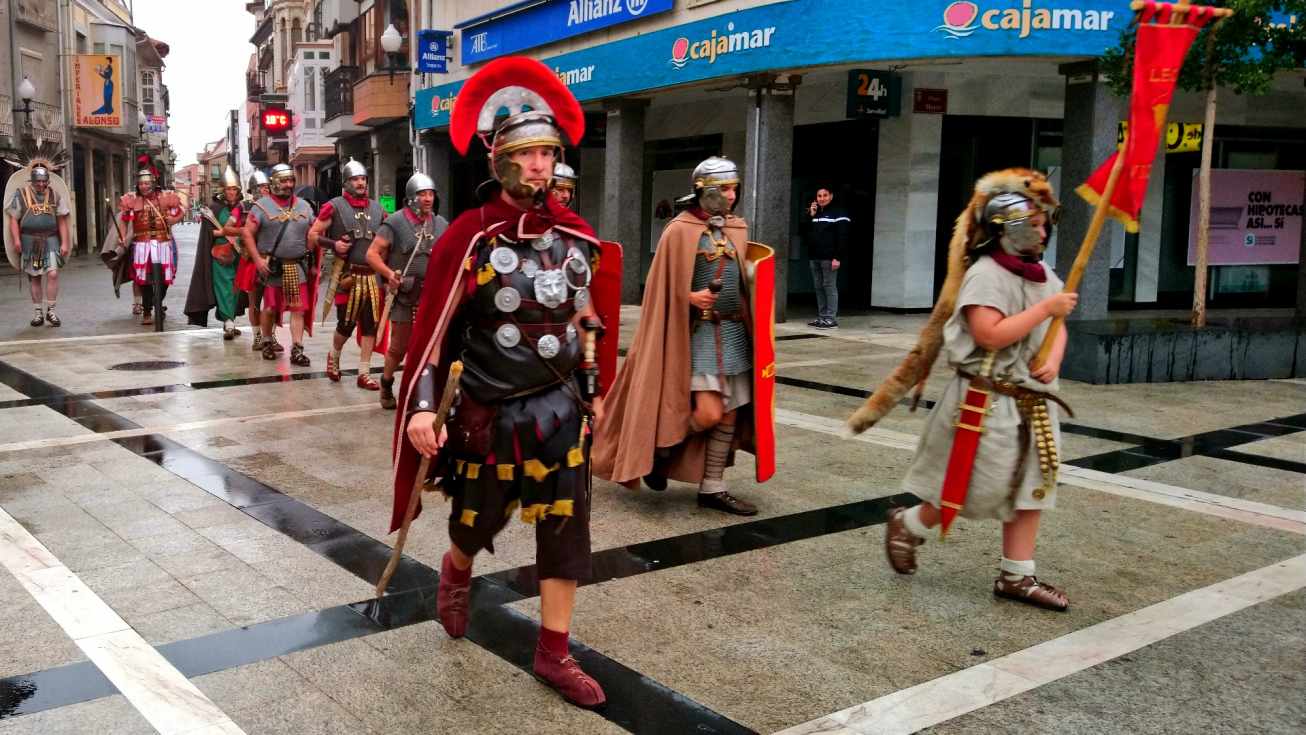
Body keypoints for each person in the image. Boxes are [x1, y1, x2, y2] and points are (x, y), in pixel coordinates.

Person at [391, 56, 618, 709]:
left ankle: (554, 651)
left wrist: (596, 388)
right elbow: (433, 334)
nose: (542, 165)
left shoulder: (576, 235)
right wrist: (423, 408)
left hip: (561, 410)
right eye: (529, 153)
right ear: (500, 160)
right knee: (477, 518)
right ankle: (457, 565)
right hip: (490, 411)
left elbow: (589, 320)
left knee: (566, 528)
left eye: (549, 153)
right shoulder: (469, 236)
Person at [845, 168, 1075, 611]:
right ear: (1007, 229)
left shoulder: (1041, 272)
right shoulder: (986, 274)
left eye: (1045, 223)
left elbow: (1056, 325)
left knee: (1032, 490)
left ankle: (1017, 575)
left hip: (1031, 404)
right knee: (972, 489)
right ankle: (909, 524)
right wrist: (1047, 306)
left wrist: (1054, 356)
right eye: (1036, 223)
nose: (1044, 230)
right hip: (985, 405)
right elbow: (990, 333)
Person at [592, 156, 775, 516]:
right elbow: (661, 288)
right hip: (697, 333)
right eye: (724, 188)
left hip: (734, 330)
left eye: (734, 187)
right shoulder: (679, 229)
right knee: (708, 413)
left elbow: (747, 281)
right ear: (704, 190)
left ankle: (713, 487)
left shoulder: (738, 228)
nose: (732, 195)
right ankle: (662, 453)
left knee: (729, 414)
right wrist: (689, 297)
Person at [366, 172, 448, 410]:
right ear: (412, 197)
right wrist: (390, 274)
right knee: (399, 347)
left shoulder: (441, 223)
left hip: (431, 295)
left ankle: (421, 392)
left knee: (430, 345)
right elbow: (372, 254)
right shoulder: (395, 222)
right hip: (404, 294)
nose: (428, 198)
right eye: (422, 194)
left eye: (431, 194)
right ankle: (387, 382)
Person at [308, 160, 385, 388]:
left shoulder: (378, 209)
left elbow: (389, 238)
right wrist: (334, 244)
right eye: (355, 179)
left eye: (363, 179)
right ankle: (334, 354)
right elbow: (313, 235)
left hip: (371, 276)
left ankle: (364, 373)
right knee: (346, 324)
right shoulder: (334, 206)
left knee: (370, 325)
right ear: (346, 182)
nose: (360, 183)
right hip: (347, 276)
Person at [240, 163, 317, 365]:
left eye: (291, 180)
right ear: (274, 182)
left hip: (297, 266)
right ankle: (266, 341)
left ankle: (297, 349)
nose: (288, 184)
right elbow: (247, 232)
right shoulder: (261, 207)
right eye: (284, 181)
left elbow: (315, 231)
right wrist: (257, 259)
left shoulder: (305, 206)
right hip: (273, 266)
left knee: (298, 309)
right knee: (270, 308)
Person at [5, 161, 71, 327]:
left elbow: (62, 220)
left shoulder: (55, 195)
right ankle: (38, 313)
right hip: (29, 241)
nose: (41, 184)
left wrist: (65, 242)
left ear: (48, 181)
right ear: (32, 181)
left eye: (43, 181)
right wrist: (17, 240)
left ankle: (51, 311)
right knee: (35, 277)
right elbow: (13, 220)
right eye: (37, 181)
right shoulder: (21, 194)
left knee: (53, 274)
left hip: (51, 239)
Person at [184, 166, 245, 338]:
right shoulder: (215, 209)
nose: (231, 192)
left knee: (236, 289)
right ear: (223, 190)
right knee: (224, 288)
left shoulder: (243, 208)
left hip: (240, 255)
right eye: (228, 189)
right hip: (221, 254)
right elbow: (208, 233)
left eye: (234, 189)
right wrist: (226, 233)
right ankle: (228, 323)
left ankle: (230, 318)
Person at [119, 169, 183, 326]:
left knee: (165, 279)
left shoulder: (166, 197)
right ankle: (147, 311)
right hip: (142, 243)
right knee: (144, 280)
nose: (143, 186)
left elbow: (179, 212)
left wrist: (173, 220)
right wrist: (122, 236)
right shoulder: (132, 200)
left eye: (146, 183)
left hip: (163, 242)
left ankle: (156, 302)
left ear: (153, 183)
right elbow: (124, 219)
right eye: (141, 183)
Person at [237, 171, 275, 353]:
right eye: (260, 187)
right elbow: (229, 227)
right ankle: (257, 336)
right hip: (252, 260)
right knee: (254, 302)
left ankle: (270, 336)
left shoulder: (276, 206)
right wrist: (244, 233)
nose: (264, 190)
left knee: (272, 302)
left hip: (272, 258)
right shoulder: (243, 206)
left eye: (266, 186)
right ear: (253, 189)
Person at [802, 187, 850, 328]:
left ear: (831, 196)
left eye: (825, 195)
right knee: (819, 287)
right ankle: (822, 317)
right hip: (815, 257)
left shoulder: (839, 213)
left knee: (829, 286)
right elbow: (805, 232)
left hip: (829, 258)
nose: (822, 198)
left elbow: (843, 236)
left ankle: (830, 319)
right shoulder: (815, 214)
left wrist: (837, 257)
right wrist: (810, 215)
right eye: (819, 196)